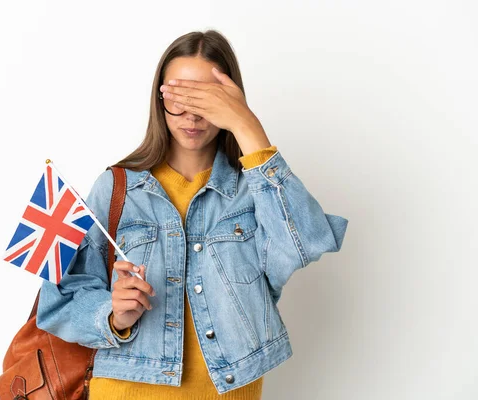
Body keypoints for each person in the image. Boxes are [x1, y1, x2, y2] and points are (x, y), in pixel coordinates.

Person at [36, 30, 348, 399]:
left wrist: (247, 127)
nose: (191, 115)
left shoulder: (256, 191)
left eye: (206, 100)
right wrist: (113, 316)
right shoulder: (115, 187)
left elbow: (305, 243)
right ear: (159, 100)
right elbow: (58, 300)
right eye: (178, 98)